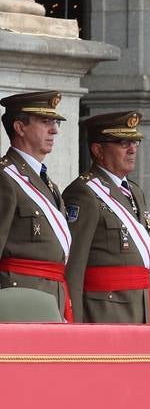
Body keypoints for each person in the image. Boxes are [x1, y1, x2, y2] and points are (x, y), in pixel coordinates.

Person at [62, 111, 150, 324]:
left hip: (140, 303)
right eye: (123, 143)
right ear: (98, 150)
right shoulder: (84, 193)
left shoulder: (135, 191)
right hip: (104, 310)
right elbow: (74, 266)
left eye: (135, 142)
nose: (132, 149)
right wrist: (73, 321)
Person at [0, 91, 71, 320]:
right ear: (20, 127)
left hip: (53, 296)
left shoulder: (46, 181)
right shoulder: (5, 177)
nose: (54, 130)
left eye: (55, 122)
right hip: (18, 300)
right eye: (45, 122)